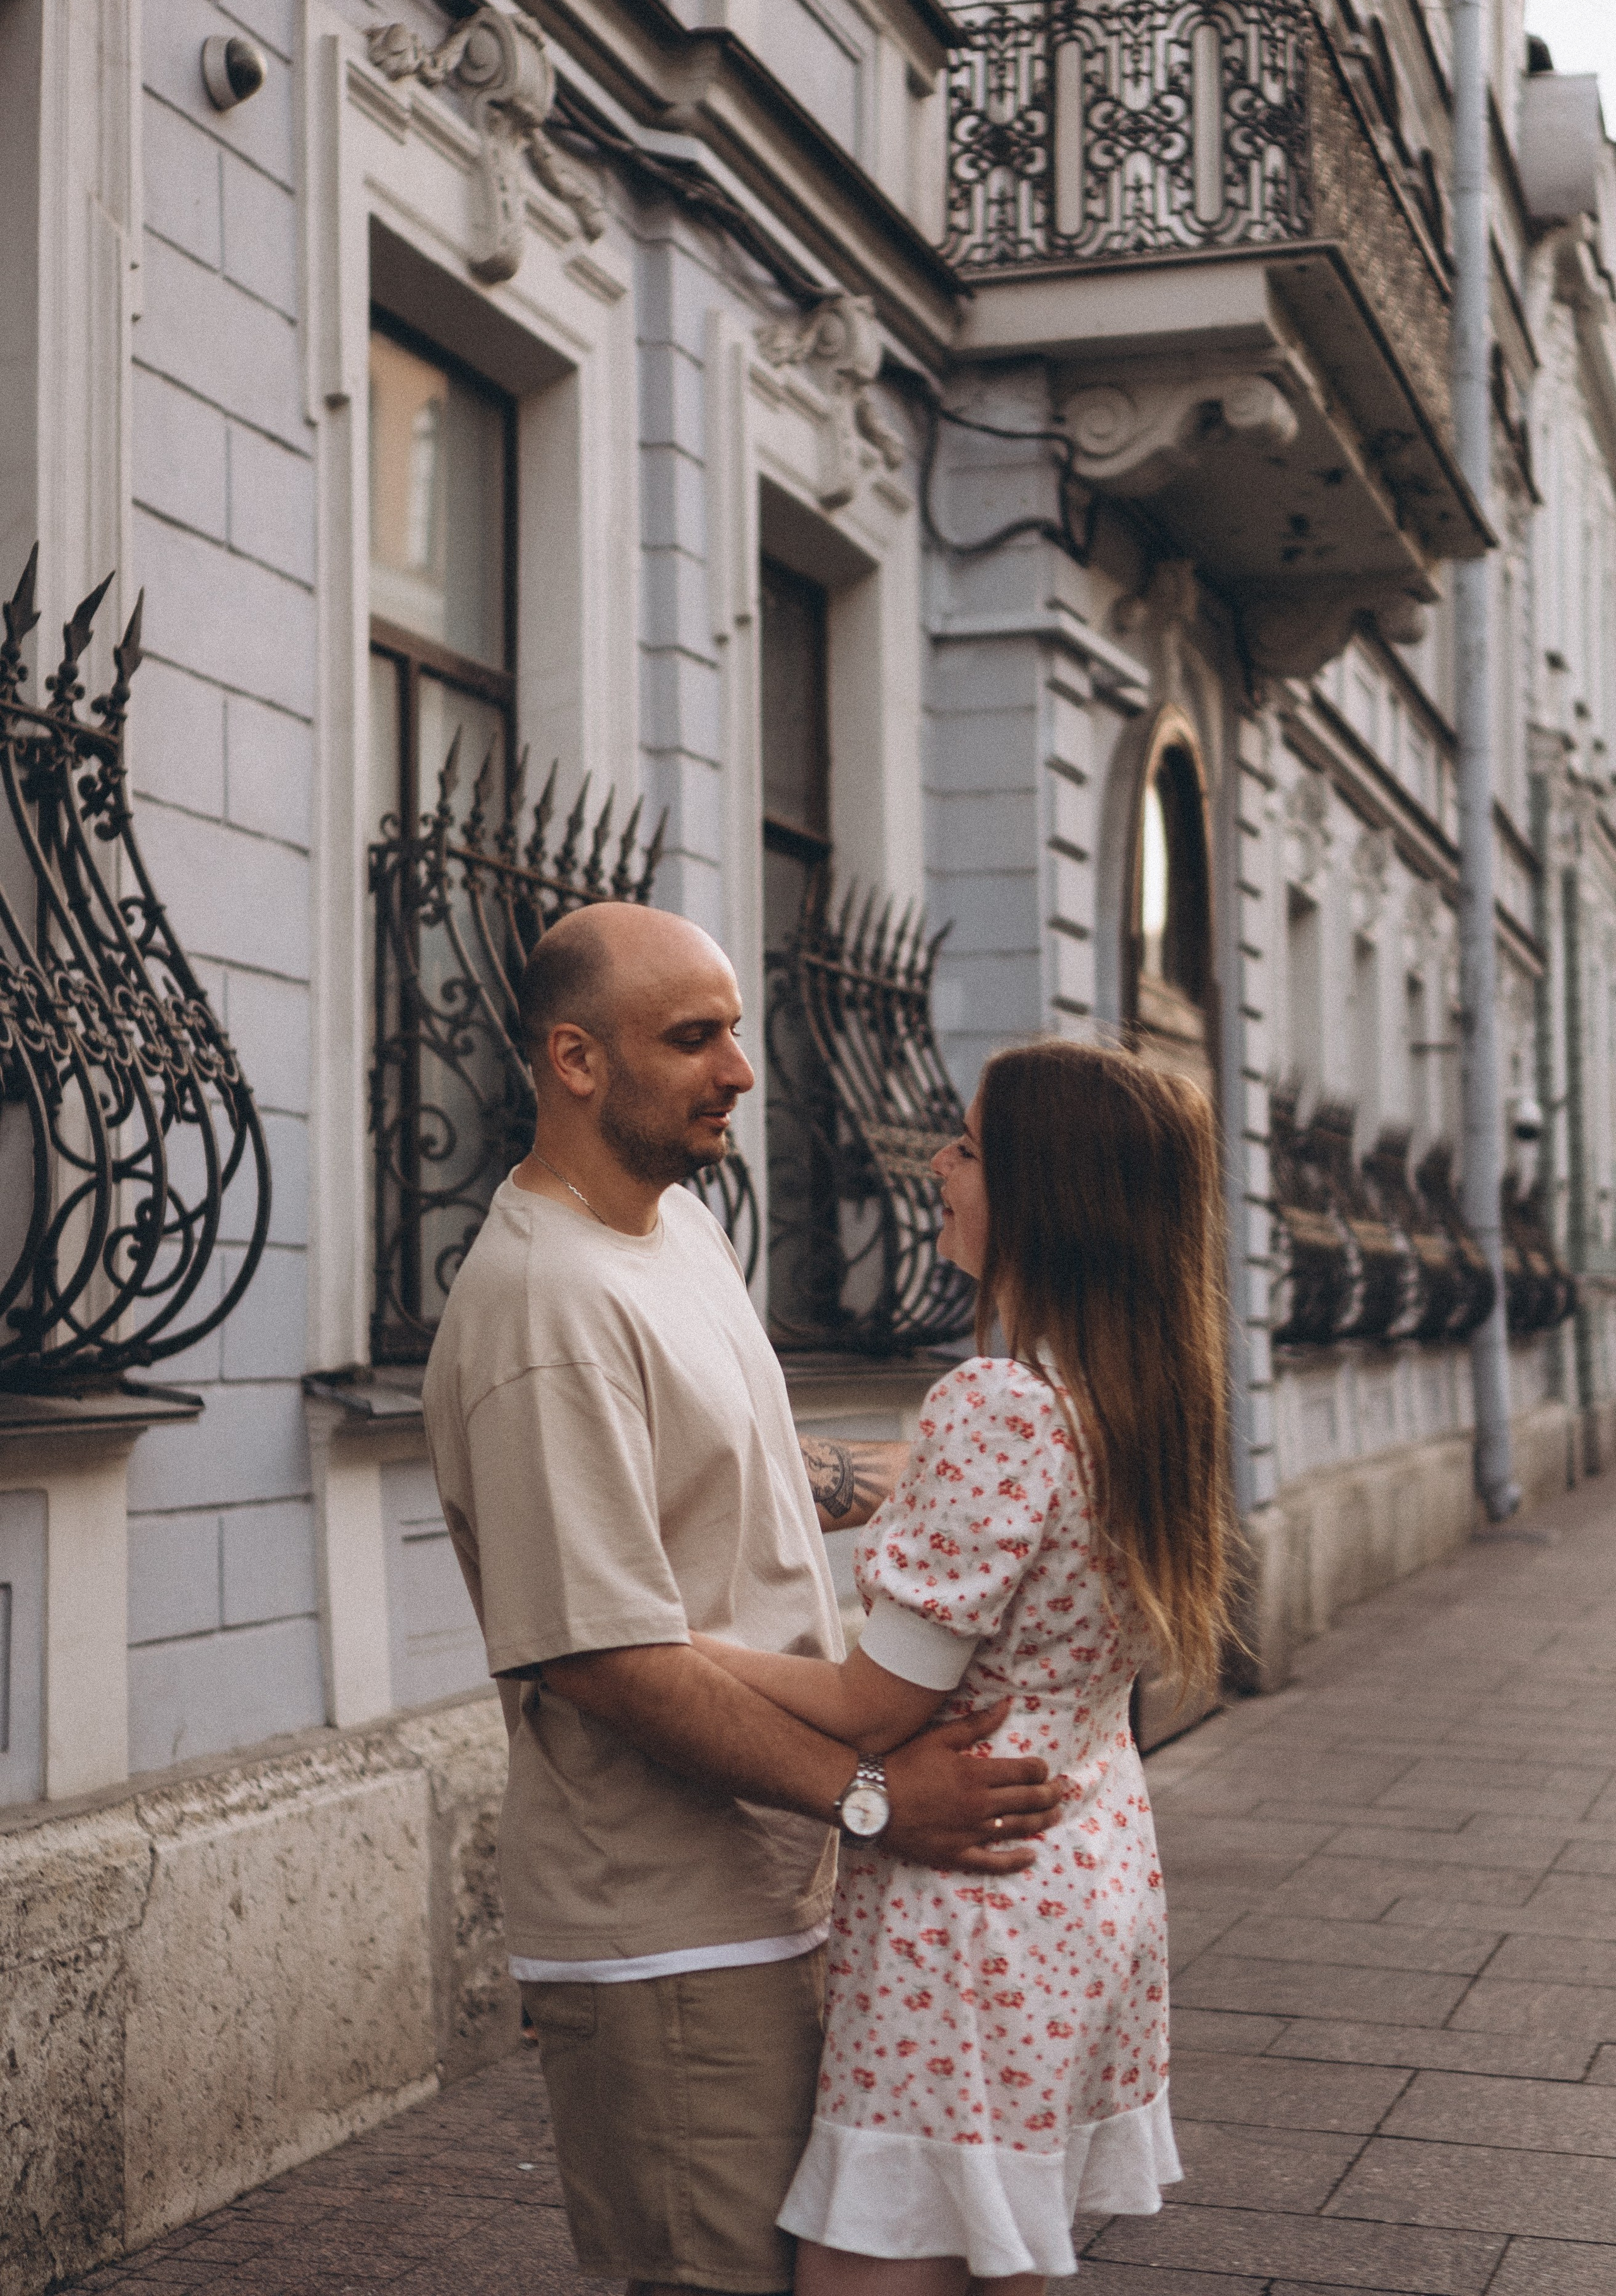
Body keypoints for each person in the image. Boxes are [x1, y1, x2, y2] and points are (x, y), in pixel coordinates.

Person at [421, 901, 1066, 2296]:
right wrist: (876, 1797)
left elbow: (756, 1473)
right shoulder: (543, 1306)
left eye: (735, 1029)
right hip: (669, 1936)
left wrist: (995, 1474)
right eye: (693, 1037)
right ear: (575, 1060)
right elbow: (603, 1660)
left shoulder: (678, 1235)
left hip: (779, 1890)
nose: (740, 1070)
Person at [694, 1040, 1235, 2296]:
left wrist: (678, 1649)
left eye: (972, 1146)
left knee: (869, 2269)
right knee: (1000, 2255)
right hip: (1087, 1883)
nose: (937, 1163)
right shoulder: (1136, 1402)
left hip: (969, 1916)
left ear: (1049, 1196)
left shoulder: (999, 1403)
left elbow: (870, 1706)